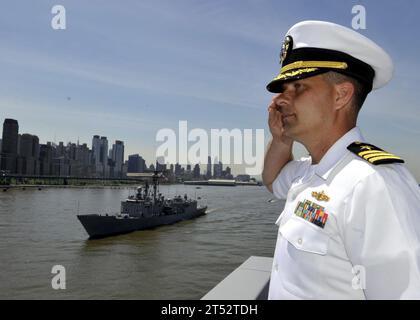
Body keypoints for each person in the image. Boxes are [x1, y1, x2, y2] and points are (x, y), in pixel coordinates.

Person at [262, 20, 420, 299]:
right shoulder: (307, 172)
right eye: (282, 90)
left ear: (341, 95)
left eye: (297, 87)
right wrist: (281, 138)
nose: (280, 101)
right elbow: (273, 181)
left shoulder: (373, 184)